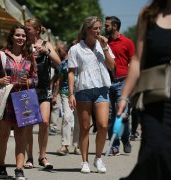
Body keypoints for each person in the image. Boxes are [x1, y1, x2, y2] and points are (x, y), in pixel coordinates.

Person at [118, 0, 171, 179]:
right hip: (155, 99)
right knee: (155, 151)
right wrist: (124, 96)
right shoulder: (148, 15)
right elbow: (137, 60)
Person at [0, 24, 37, 180]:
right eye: (18, 35)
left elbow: (36, 78)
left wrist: (29, 80)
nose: (21, 38)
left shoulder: (30, 57)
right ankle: (1, 166)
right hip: (5, 99)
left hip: (23, 99)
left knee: (21, 135)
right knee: (3, 135)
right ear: (11, 37)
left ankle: (19, 169)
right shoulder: (1, 54)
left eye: (23, 36)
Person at [68, 16, 115, 174]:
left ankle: (98, 158)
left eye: (99, 28)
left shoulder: (103, 46)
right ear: (87, 30)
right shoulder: (75, 49)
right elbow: (71, 72)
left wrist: (106, 48)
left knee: (102, 125)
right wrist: (71, 93)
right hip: (83, 90)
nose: (98, 31)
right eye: (95, 28)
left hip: (101, 89)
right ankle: (85, 161)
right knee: (85, 127)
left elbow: (112, 66)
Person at [24, 18, 61, 170]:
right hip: (27, 88)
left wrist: (47, 52)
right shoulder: (24, 44)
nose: (26, 31)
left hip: (44, 88)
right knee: (28, 125)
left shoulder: (46, 44)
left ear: (37, 29)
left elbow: (59, 62)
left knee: (44, 122)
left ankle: (42, 156)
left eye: (28, 29)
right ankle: (30, 158)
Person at [104, 16, 134, 155]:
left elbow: (133, 63)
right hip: (107, 82)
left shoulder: (127, 42)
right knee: (110, 116)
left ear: (115, 26)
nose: (105, 28)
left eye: (107, 25)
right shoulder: (103, 42)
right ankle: (114, 145)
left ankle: (125, 138)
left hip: (123, 81)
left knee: (122, 114)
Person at [54, 43, 80, 156]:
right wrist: (55, 95)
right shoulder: (64, 64)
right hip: (66, 93)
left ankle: (77, 145)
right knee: (67, 117)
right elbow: (59, 80)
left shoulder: (82, 63)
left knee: (79, 120)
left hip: (80, 93)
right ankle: (65, 145)